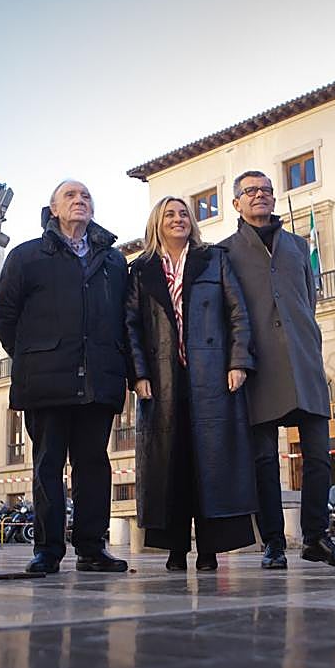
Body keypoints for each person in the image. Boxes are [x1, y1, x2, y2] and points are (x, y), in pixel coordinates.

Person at [221, 171, 335, 569]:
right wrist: (237, 359)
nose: (260, 196)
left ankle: (317, 538)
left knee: (319, 457)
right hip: (256, 366)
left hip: (304, 362)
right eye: (251, 192)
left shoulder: (298, 246)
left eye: (266, 190)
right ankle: (273, 544)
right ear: (237, 204)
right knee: (264, 461)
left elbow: (308, 300)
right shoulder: (224, 252)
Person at [0, 180, 130, 574]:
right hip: (45, 381)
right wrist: (32, 355)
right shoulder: (26, 256)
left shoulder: (113, 261)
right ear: (53, 209)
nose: (80, 200)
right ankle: (48, 550)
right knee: (48, 464)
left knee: (94, 464)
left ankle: (91, 548)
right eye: (70, 195)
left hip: (99, 379)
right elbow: (3, 316)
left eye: (86, 195)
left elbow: (124, 318)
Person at [125, 196, 258, 571]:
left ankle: (211, 549)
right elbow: (131, 326)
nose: (178, 219)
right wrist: (139, 374)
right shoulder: (142, 269)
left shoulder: (214, 259)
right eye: (170, 214)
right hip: (163, 379)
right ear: (157, 222)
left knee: (212, 463)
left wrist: (238, 362)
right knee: (172, 464)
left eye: (184, 213)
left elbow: (238, 312)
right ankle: (175, 548)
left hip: (212, 375)